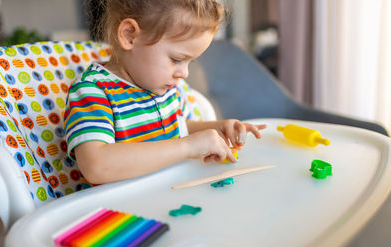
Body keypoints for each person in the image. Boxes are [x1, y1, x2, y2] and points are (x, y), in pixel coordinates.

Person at [64, 0, 266, 184]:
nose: (184, 73)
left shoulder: (166, 86)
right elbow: (97, 166)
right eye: (177, 59)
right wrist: (189, 146)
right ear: (129, 35)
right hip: (123, 214)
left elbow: (179, 126)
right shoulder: (93, 90)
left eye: (190, 61)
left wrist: (216, 129)